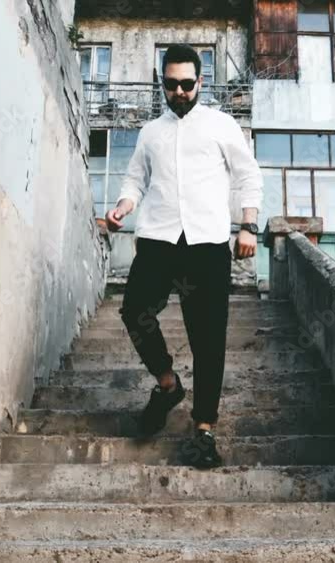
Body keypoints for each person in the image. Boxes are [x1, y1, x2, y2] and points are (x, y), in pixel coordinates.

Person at [104, 44, 263, 469]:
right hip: (158, 239)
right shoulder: (150, 133)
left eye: (187, 84)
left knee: (208, 338)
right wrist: (122, 207)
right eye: (172, 84)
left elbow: (248, 175)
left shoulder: (221, 125)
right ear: (162, 82)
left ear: (200, 81)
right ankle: (168, 384)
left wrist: (248, 225)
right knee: (135, 310)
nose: (179, 92)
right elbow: (135, 179)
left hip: (206, 245)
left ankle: (204, 428)